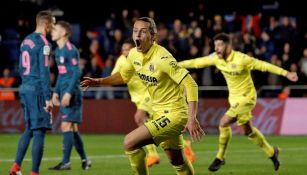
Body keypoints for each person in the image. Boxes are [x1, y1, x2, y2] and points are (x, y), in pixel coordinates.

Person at [81, 17, 204, 175]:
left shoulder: (162, 58)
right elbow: (124, 76)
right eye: (135, 30)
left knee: (130, 142)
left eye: (143, 31)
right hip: (158, 112)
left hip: (175, 114)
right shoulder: (133, 54)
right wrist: (99, 81)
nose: (137, 35)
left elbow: (191, 84)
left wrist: (191, 118)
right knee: (177, 160)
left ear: (153, 36)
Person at [178, 32, 298, 172]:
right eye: (215, 45)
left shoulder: (242, 59)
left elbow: (264, 65)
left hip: (247, 98)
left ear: (229, 46)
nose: (217, 48)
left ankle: (220, 157)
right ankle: (272, 152)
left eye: (220, 45)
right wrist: (174, 65)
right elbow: (196, 63)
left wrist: (286, 73)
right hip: (234, 100)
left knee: (223, 123)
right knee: (248, 132)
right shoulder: (217, 58)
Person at [112, 39, 196, 167]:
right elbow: (115, 77)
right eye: (123, 50)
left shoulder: (143, 57)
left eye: (128, 49)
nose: (126, 52)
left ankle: (152, 154)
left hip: (149, 94)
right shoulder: (122, 60)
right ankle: (184, 144)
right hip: (137, 98)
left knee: (139, 117)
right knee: (158, 126)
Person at [9, 10, 55, 175]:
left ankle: (15, 167)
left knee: (29, 128)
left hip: (25, 88)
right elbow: (44, 71)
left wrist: (26, 84)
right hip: (37, 90)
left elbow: (21, 67)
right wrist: (48, 97)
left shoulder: (25, 41)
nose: (53, 27)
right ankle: (34, 172)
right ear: (46, 23)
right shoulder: (44, 43)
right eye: (52, 23)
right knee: (40, 130)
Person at [48, 21, 91, 170]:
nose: (52, 31)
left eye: (55, 29)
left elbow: (76, 72)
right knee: (72, 128)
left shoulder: (70, 49)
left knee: (66, 125)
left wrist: (67, 93)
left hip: (72, 94)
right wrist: (56, 92)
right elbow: (62, 74)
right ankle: (85, 160)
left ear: (64, 33)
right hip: (65, 92)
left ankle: (66, 162)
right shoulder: (58, 51)